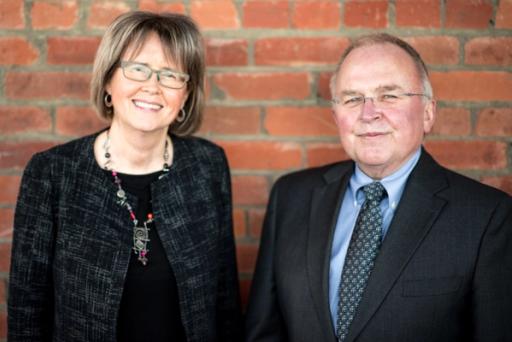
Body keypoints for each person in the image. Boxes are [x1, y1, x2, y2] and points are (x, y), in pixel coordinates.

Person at [245, 33, 512, 342]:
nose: (369, 113)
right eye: (352, 98)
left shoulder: (487, 217)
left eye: (389, 95)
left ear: (428, 113)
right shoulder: (291, 197)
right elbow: (263, 331)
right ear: (336, 117)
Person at [8, 11, 243, 341]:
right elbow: (27, 312)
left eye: (171, 75)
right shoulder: (53, 173)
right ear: (108, 80)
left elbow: (225, 301)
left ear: (186, 95)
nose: (152, 87)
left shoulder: (207, 166)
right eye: (137, 69)